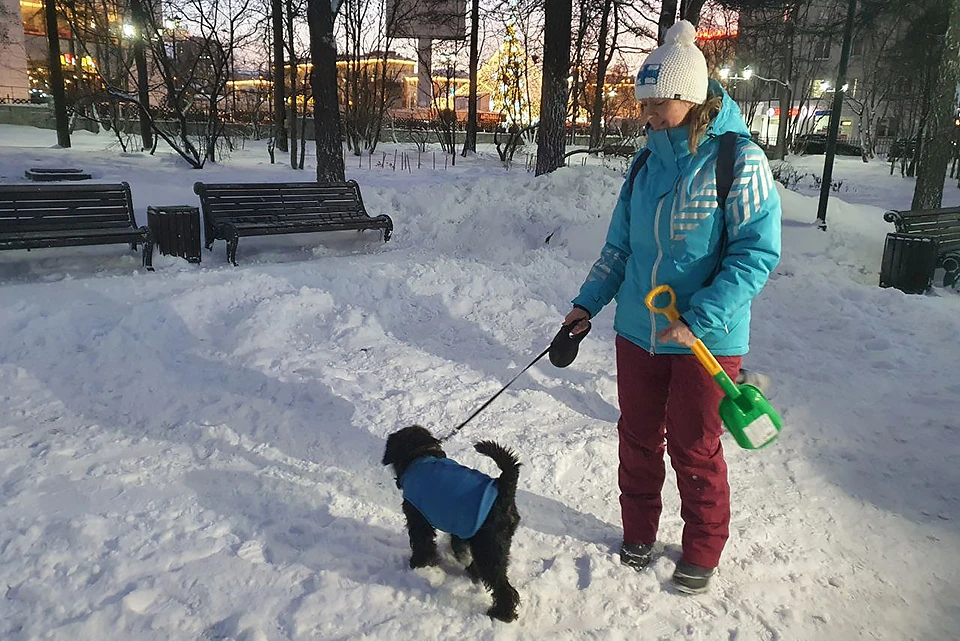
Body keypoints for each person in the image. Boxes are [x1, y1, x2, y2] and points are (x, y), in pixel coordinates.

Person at [563, 20, 781, 594]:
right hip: (638, 332)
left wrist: (700, 318)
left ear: (689, 97)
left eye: (659, 103)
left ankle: (703, 550)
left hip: (706, 342)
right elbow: (619, 249)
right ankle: (638, 532)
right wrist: (584, 306)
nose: (649, 114)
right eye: (646, 103)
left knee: (694, 446)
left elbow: (756, 254)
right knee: (637, 436)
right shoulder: (643, 165)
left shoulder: (738, 161)